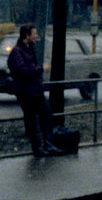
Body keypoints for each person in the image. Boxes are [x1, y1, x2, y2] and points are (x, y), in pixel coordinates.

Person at [6, 24, 64, 157]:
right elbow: (23, 71)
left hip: (35, 89)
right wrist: (40, 69)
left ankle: (47, 145)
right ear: (27, 36)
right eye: (34, 34)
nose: (37, 36)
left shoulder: (27, 49)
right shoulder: (17, 52)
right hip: (26, 92)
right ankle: (38, 148)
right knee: (32, 119)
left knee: (46, 116)